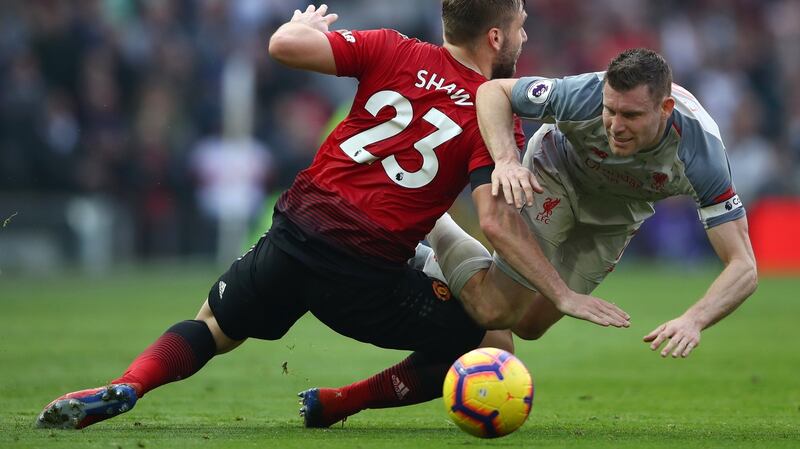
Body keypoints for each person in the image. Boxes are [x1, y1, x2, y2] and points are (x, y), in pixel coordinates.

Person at [35, 2, 628, 430]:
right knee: (489, 339)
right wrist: (560, 292)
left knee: (214, 328)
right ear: (495, 37)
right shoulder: (492, 113)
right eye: (521, 25)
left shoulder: (392, 48)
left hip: (294, 233)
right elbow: (495, 222)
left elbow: (282, 47)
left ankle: (127, 385)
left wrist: (303, 24)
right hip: (364, 271)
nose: (525, 37)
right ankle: (340, 402)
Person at [303, 48, 758, 427]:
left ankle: (437, 248)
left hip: (617, 215)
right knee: (495, 312)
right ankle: (434, 221)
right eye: (610, 110)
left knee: (529, 326)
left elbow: (744, 266)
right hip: (554, 178)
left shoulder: (701, 152)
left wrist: (694, 320)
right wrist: (505, 159)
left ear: (665, 109)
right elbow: (492, 91)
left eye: (631, 115)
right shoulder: (581, 94)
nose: (615, 125)